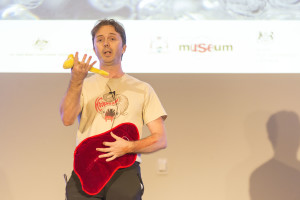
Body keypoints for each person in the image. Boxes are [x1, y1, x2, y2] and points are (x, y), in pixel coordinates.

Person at [60, 19, 167, 200]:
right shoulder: (82, 85)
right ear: (94, 48)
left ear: (123, 47)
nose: (106, 43)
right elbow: (67, 119)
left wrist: (129, 146)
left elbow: (160, 139)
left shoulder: (142, 88)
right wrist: (76, 80)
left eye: (112, 38)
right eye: (100, 40)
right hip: (87, 169)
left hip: (124, 170)